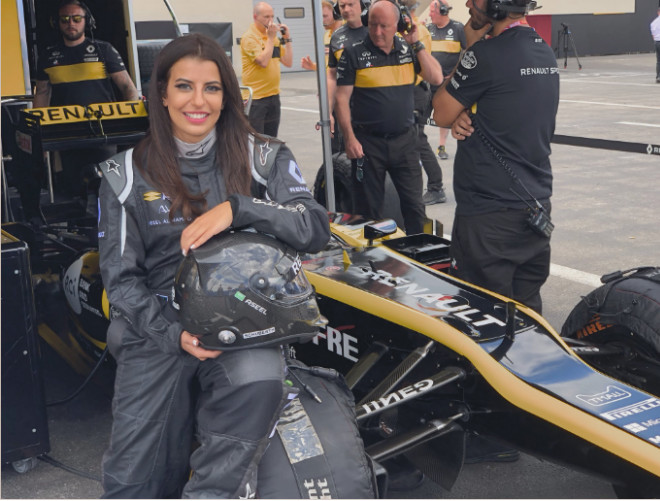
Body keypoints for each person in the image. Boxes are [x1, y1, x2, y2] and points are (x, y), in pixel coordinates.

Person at [98, 33, 330, 498]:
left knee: (259, 380)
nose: (198, 102)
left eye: (212, 88)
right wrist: (172, 334)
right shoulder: (124, 174)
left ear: (227, 96)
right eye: (184, 87)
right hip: (158, 329)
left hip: (245, 323)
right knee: (132, 481)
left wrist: (239, 209)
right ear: (162, 94)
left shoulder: (263, 155)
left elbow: (314, 226)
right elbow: (120, 282)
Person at [432, 0, 559, 315]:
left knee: (481, 318)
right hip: (534, 205)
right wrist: (467, 111)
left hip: (488, 216)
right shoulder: (545, 51)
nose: (468, 4)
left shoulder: (485, 55)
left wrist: (470, 51)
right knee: (527, 317)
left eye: (475, 0)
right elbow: (503, 107)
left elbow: (441, 111)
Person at [335, 0, 443, 235]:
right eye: (373, 24)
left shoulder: (408, 50)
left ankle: (420, 247)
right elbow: (341, 99)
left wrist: (416, 44)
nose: (377, 31)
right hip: (367, 145)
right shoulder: (353, 53)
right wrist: (350, 139)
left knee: (415, 207)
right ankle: (371, 255)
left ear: (398, 25)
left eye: (384, 26)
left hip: (405, 143)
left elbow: (436, 77)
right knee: (368, 211)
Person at [33, 0, 140, 210]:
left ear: (87, 21)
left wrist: (130, 126)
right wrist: (39, 135)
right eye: (65, 19)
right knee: (75, 191)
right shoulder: (47, 56)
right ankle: (84, 227)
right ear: (57, 23)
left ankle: (113, 226)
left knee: (109, 188)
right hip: (67, 134)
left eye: (76, 18)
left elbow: (128, 88)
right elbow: (42, 94)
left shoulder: (104, 50)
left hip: (103, 132)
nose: (70, 23)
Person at [401, 0, 448, 206]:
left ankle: (436, 187)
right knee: (410, 141)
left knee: (418, 139)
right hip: (405, 91)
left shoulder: (418, 31)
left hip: (415, 90)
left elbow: (419, 64)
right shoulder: (407, 29)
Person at [240, 2, 293, 137]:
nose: (270, 21)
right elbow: (263, 62)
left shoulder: (273, 38)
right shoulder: (249, 38)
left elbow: (288, 62)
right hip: (256, 99)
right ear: (255, 17)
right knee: (257, 139)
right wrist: (270, 38)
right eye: (266, 17)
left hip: (273, 96)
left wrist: (287, 39)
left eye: (272, 16)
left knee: (272, 139)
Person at [427, 0, 466, 163]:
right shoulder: (428, 29)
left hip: (447, 84)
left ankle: (441, 146)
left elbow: (468, 51)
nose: (429, 14)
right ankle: (417, 147)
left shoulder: (458, 28)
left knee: (445, 115)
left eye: (432, 11)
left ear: (443, 11)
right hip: (429, 82)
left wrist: (456, 72)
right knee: (421, 116)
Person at [301, 0, 343, 71]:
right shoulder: (326, 36)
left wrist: (338, 53)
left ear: (336, 15)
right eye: (320, 17)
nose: (322, 20)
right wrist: (313, 66)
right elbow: (328, 66)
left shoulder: (349, 31)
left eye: (325, 16)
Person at [651, 6, 660, 83]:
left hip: (657, 42)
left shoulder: (653, 23)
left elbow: (653, 35)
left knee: (658, 60)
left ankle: (658, 77)